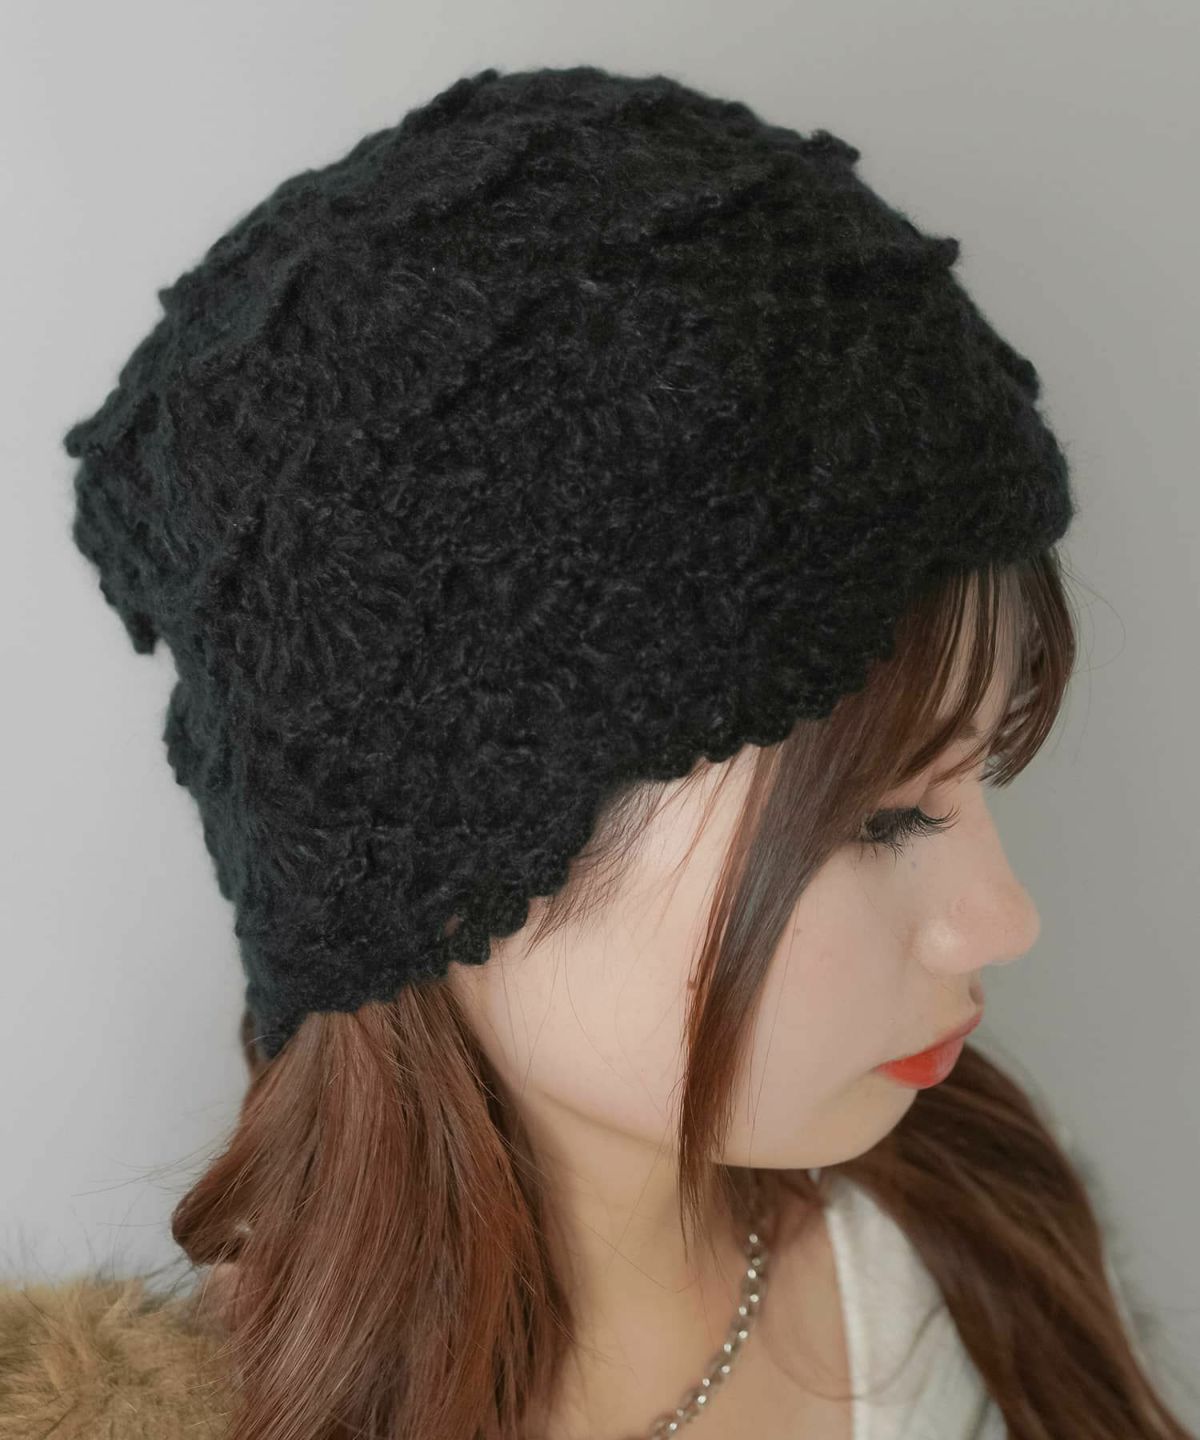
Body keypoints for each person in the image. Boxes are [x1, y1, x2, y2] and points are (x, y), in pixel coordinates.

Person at [6, 62, 1192, 1440]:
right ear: (461, 864)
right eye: (880, 820)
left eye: (983, 773)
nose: (1002, 919)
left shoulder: (976, 1254)